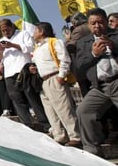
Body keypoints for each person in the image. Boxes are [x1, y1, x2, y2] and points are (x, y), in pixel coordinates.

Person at [75, 8, 118, 157]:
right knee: (83, 112)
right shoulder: (83, 43)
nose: (97, 26)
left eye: (100, 22)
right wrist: (94, 54)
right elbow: (78, 68)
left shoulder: (115, 36)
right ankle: (93, 153)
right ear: (88, 25)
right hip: (100, 87)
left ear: (106, 22)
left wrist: (115, 47)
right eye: (93, 23)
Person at [33, 22, 81, 146]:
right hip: (43, 81)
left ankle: (75, 136)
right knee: (51, 111)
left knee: (64, 108)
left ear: (41, 32)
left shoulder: (54, 42)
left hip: (54, 78)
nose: (33, 33)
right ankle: (60, 135)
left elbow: (64, 59)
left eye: (35, 30)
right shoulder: (37, 47)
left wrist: (61, 75)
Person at [0, 18, 35, 126]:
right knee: (16, 99)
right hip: (9, 73)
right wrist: (1, 51)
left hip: (23, 69)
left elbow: (31, 47)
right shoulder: (0, 41)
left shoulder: (23, 34)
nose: (5, 33)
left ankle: (44, 123)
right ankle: (27, 123)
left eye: (7, 30)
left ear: (12, 26)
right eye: (3, 31)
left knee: (31, 97)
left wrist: (12, 45)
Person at [65, 12, 91, 97]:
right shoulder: (90, 25)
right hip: (92, 61)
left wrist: (68, 39)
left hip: (84, 67)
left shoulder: (79, 30)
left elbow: (70, 47)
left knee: (87, 93)